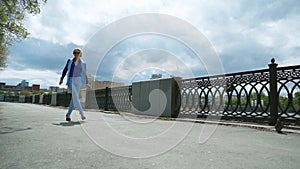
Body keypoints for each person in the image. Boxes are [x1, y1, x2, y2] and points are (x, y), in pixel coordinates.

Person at [59, 48, 88, 121]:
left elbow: (84, 73)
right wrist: (61, 78)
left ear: (80, 54)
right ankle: (82, 113)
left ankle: (68, 114)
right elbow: (65, 70)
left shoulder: (83, 63)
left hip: (78, 81)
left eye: (78, 53)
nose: (76, 54)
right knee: (75, 96)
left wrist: (87, 82)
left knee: (74, 98)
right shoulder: (70, 61)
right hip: (70, 80)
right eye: (75, 53)